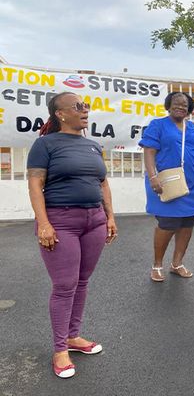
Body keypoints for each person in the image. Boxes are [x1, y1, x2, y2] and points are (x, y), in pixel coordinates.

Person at [27, 92, 118, 378]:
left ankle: (73, 336)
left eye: (86, 105)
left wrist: (110, 216)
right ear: (61, 114)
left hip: (94, 220)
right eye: (78, 106)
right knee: (65, 285)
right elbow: (35, 183)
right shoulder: (45, 144)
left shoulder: (93, 145)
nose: (85, 110)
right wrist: (43, 223)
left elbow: (102, 183)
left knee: (82, 281)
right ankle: (60, 350)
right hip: (61, 220)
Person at [139, 92, 194, 282]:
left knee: (188, 224)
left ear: (189, 108)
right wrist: (152, 176)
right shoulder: (158, 125)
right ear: (168, 105)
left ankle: (177, 263)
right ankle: (157, 265)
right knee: (167, 224)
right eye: (177, 104)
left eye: (185, 105)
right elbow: (149, 151)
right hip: (167, 183)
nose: (181, 107)